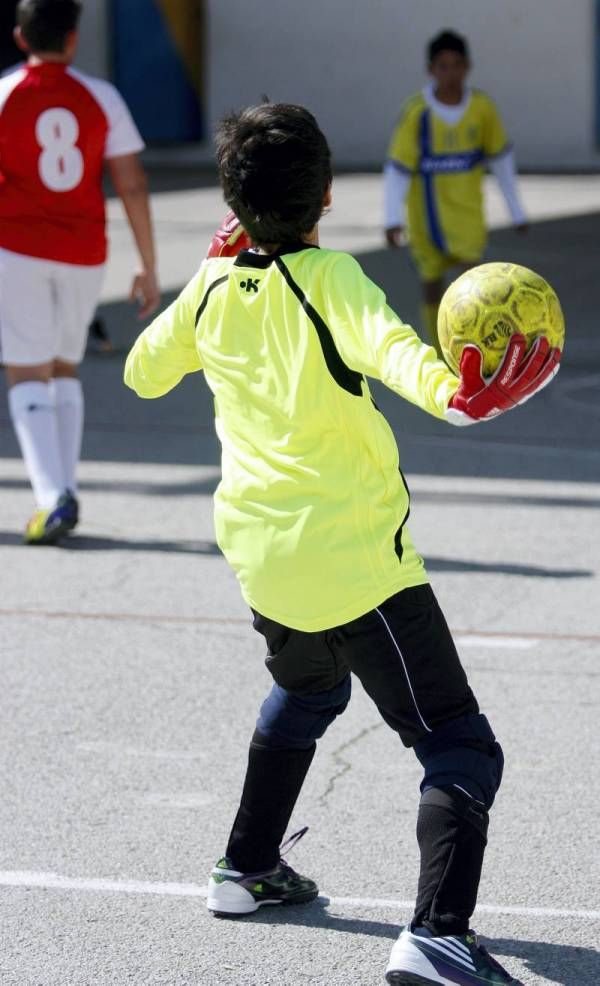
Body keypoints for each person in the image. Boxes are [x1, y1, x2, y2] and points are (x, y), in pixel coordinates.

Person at [124, 103, 558, 985]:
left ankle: (245, 867)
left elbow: (139, 374)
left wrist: (208, 272)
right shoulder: (334, 280)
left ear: (232, 200)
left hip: (263, 559)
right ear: (327, 196)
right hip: (360, 567)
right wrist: (467, 399)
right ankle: (438, 934)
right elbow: (405, 360)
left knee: (305, 690)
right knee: (461, 745)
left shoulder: (210, 288)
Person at [0, 0, 159, 544]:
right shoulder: (102, 96)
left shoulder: (4, 95)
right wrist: (147, 263)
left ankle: (52, 497)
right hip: (84, 251)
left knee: (25, 371)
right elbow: (132, 184)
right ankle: (65, 488)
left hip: (16, 247)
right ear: (72, 39)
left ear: (21, 38)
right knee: (64, 368)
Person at [384, 30, 527, 355]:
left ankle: (471, 348)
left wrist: (516, 210)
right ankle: (438, 348)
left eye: (457, 65)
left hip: (467, 217)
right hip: (426, 221)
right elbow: (398, 168)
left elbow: (501, 159)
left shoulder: (482, 109)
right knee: (432, 286)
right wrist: (392, 218)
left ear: (468, 66)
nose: (450, 73)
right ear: (431, 70)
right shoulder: (416, 113)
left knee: (472, 286)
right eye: (443, 66)